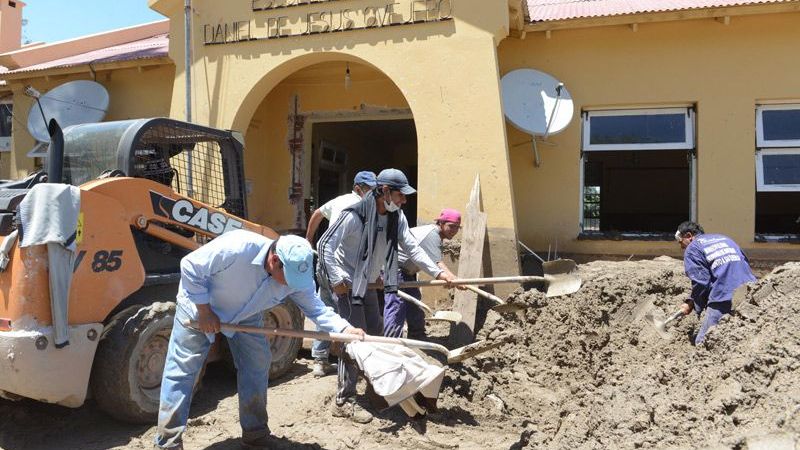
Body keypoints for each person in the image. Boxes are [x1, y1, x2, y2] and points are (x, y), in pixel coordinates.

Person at [155, 230, 364, 450]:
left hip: (246, 313)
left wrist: (345, 329)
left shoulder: (295, 277)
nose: (291, 285)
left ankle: (255, 433)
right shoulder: (237, 247)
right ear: (275, 260)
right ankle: (168, 442)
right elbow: (190, 266)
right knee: (183, 369)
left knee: (257, 362)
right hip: (198, 309)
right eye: (289, 279)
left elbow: (316, 309)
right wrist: (204, 311)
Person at [317, 168, 456, 424]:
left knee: (377, 336)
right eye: (400, 195)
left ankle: (377, 391)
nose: (404, 200)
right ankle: (344, 400)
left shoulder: (396, 216)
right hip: (349, 285)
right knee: (354, 340)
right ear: (384, 191)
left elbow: (412, 247)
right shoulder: (354, 215)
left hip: (369, 283)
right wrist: (336, 279)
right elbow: (324, 245)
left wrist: (438, 272)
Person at [305, 170, 377, 378]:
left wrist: (308, 239)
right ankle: (350, 366)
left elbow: (317, 214)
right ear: (358, 189)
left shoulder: (339, 201)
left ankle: (320, 360)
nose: (374, 194)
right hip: (340, 271)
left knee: (325, 311)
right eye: (370, 189)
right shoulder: (358, 207)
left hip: (325, 267)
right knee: (346, 316)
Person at [383, 208, 462, 340]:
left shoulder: (436, 235)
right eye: (451, 226)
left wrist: (453, 279)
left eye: (457, 227)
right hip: (393, 269)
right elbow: (438, 263)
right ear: (441, 223)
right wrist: (453, 279)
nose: (454, 230)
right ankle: (392, 342)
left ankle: (417, 336)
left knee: (414, 303)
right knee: (397, 305)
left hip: (405, 272)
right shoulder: (432, 234)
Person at [674, 221, 756, 345]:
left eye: (681, 242)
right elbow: (744, 261)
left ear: (689, 236)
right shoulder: (725, 239)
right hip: (750, 291)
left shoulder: (692, 248)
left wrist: (695, 305)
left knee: (703, 342)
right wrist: (691, 300)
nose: (681, 247)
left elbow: (701, 282)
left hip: (724, 295)